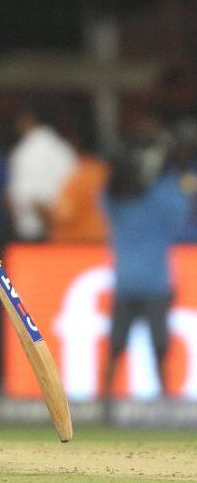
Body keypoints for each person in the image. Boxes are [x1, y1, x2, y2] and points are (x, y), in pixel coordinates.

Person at [101, 117, 190, 420]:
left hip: (129, 282)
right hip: (154, 283)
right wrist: (166, 171)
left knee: (117, 347)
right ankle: (164, 405)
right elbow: (180, 210)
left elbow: (109, 192)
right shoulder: (161, 197)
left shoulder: (118, 202)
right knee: (158, 347)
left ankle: (104, 406)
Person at [7, 108, 77, 241]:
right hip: (66, 231)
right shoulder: (65, 150)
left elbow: (27, 197)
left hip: (35, 233)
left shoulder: (24, 152)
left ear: (26, 121)